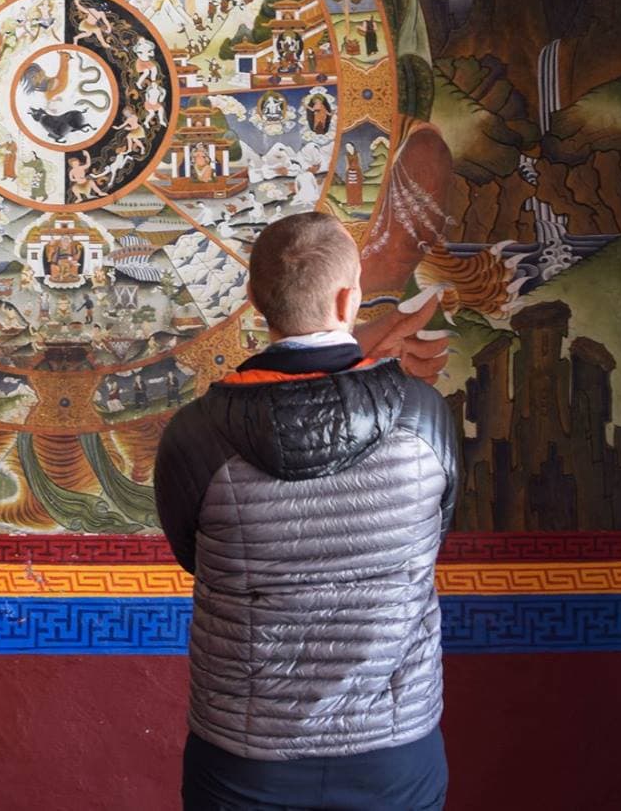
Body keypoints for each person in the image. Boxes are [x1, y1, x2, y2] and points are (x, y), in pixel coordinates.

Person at [156, 212, 455, 811]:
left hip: (247, 756)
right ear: (351, 298)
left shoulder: (195, 434)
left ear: (253, 299)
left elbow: (197, 558)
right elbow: (432, 536)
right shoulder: (422, 417)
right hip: (393, 750)